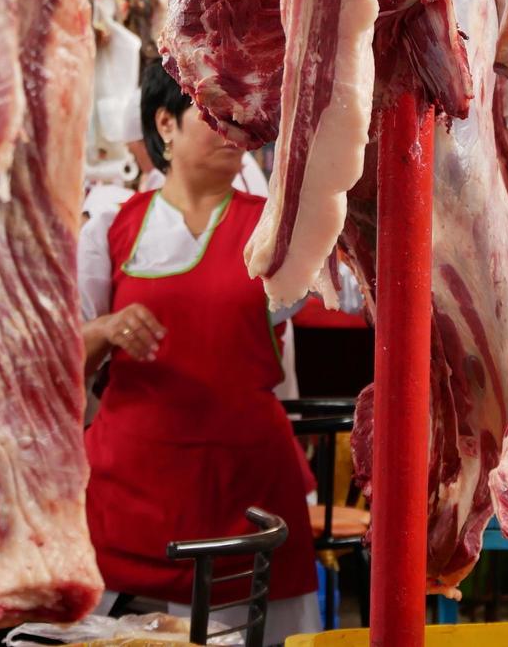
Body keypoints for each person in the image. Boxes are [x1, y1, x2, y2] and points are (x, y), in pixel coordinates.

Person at [78, 65, 320, 643]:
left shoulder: (275, 232)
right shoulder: (111, 228)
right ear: (165, 123)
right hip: (128, 498)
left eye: (241, 118)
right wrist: (105, 329)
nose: (235, 133)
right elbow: (66, 360)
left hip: (247, 496)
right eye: (216, 116)